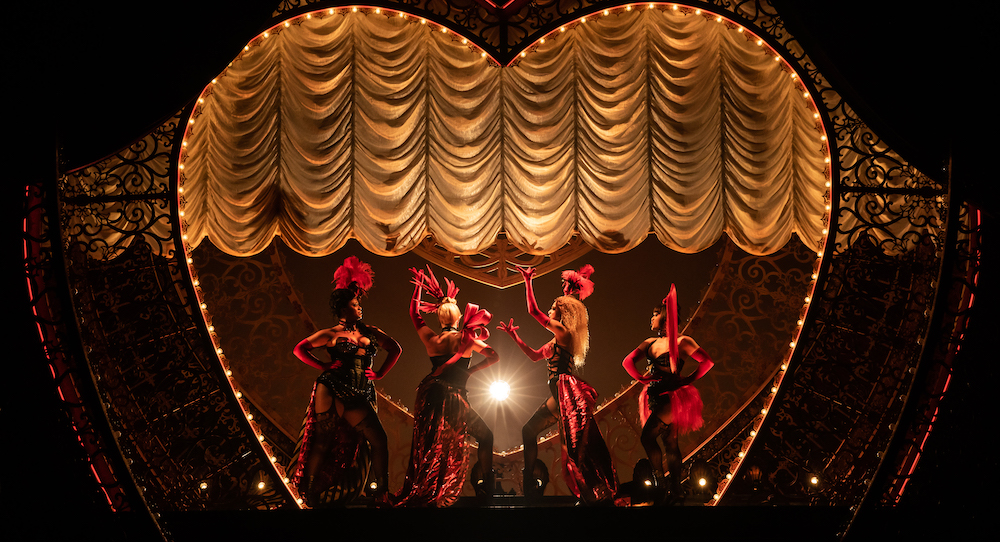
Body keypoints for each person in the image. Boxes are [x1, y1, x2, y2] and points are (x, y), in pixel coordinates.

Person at [498, 264, 619, 505]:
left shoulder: (565, 334)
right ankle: (531, 485)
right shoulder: (555, 341)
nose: (549, 311)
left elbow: (533, 310)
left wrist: (528, 280)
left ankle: (593, 496)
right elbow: (534, 356)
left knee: (575, 451)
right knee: (529, 431)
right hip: (558, 395)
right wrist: (515, 337)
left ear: (561, 313)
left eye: (553, 308)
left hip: (566, 393)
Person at [291, 256, 401, 507]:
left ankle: (381, 493)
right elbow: (299, 349)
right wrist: (324, 365)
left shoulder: (370, 331)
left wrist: (381, 373)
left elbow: (395, 348)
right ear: (342, 309)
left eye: (359, 303)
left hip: (359, 391)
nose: (359, 308)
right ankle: (308, 494)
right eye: (354, 304)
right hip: (331, 386)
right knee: (323, 440)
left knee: (377, 440)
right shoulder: (330, 334)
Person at [392, 266, 498, 507]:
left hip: (431, 392)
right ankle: (483, 489)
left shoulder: (432, 339)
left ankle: (427, 489)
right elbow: (494, 356)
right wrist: (471, 371)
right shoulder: (466, 338)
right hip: (454, 398)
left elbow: (414, 314)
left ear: (439, 318)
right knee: (480, 437)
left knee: (430, 443)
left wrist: (418, 286)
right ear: (459, 317)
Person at [621, 285, 714, 504]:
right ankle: (675, 489)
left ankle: (662, 483)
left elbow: (707, 362)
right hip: (655, 396)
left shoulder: (683, 342)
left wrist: (688, 379)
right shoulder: (649, 342)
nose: (650, 319)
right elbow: (627, 362)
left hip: (673, 397)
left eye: (653, 315)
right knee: (670, 443)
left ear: (662, 316)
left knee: (647, 437)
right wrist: (642, 379)